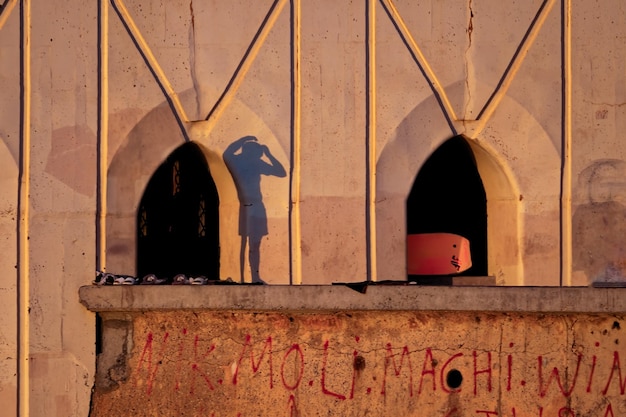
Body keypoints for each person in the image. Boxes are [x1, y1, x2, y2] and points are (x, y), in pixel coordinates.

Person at [224, 136, 286, 284]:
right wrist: (243, 139)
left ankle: (255, 277)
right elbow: (226, 154)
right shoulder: (238, 161)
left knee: (255, 243)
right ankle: (241, 276)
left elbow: (281, 172)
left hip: (257, 206)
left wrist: (269, 155)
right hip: (246, 206)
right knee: (243, 243)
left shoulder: (257, 163)